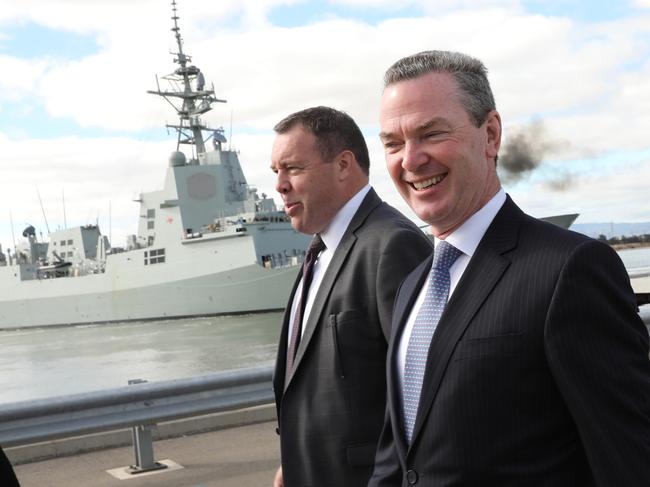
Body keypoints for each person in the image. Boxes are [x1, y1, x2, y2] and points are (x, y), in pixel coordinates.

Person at [369, 50, 650, 487]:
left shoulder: (568, 270)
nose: (410, 159)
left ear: (491, 135)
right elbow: (399, 457)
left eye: (431, 133)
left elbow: (629, 456)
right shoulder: (412, 287)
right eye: (392, 143)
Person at [270, 106, 432, 487]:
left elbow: (424, 400)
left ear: (344, 165)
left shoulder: (392, 245)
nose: (279, 184)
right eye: (275, 172)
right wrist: (293, 462)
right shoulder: (320, 251)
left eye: (292, 168)